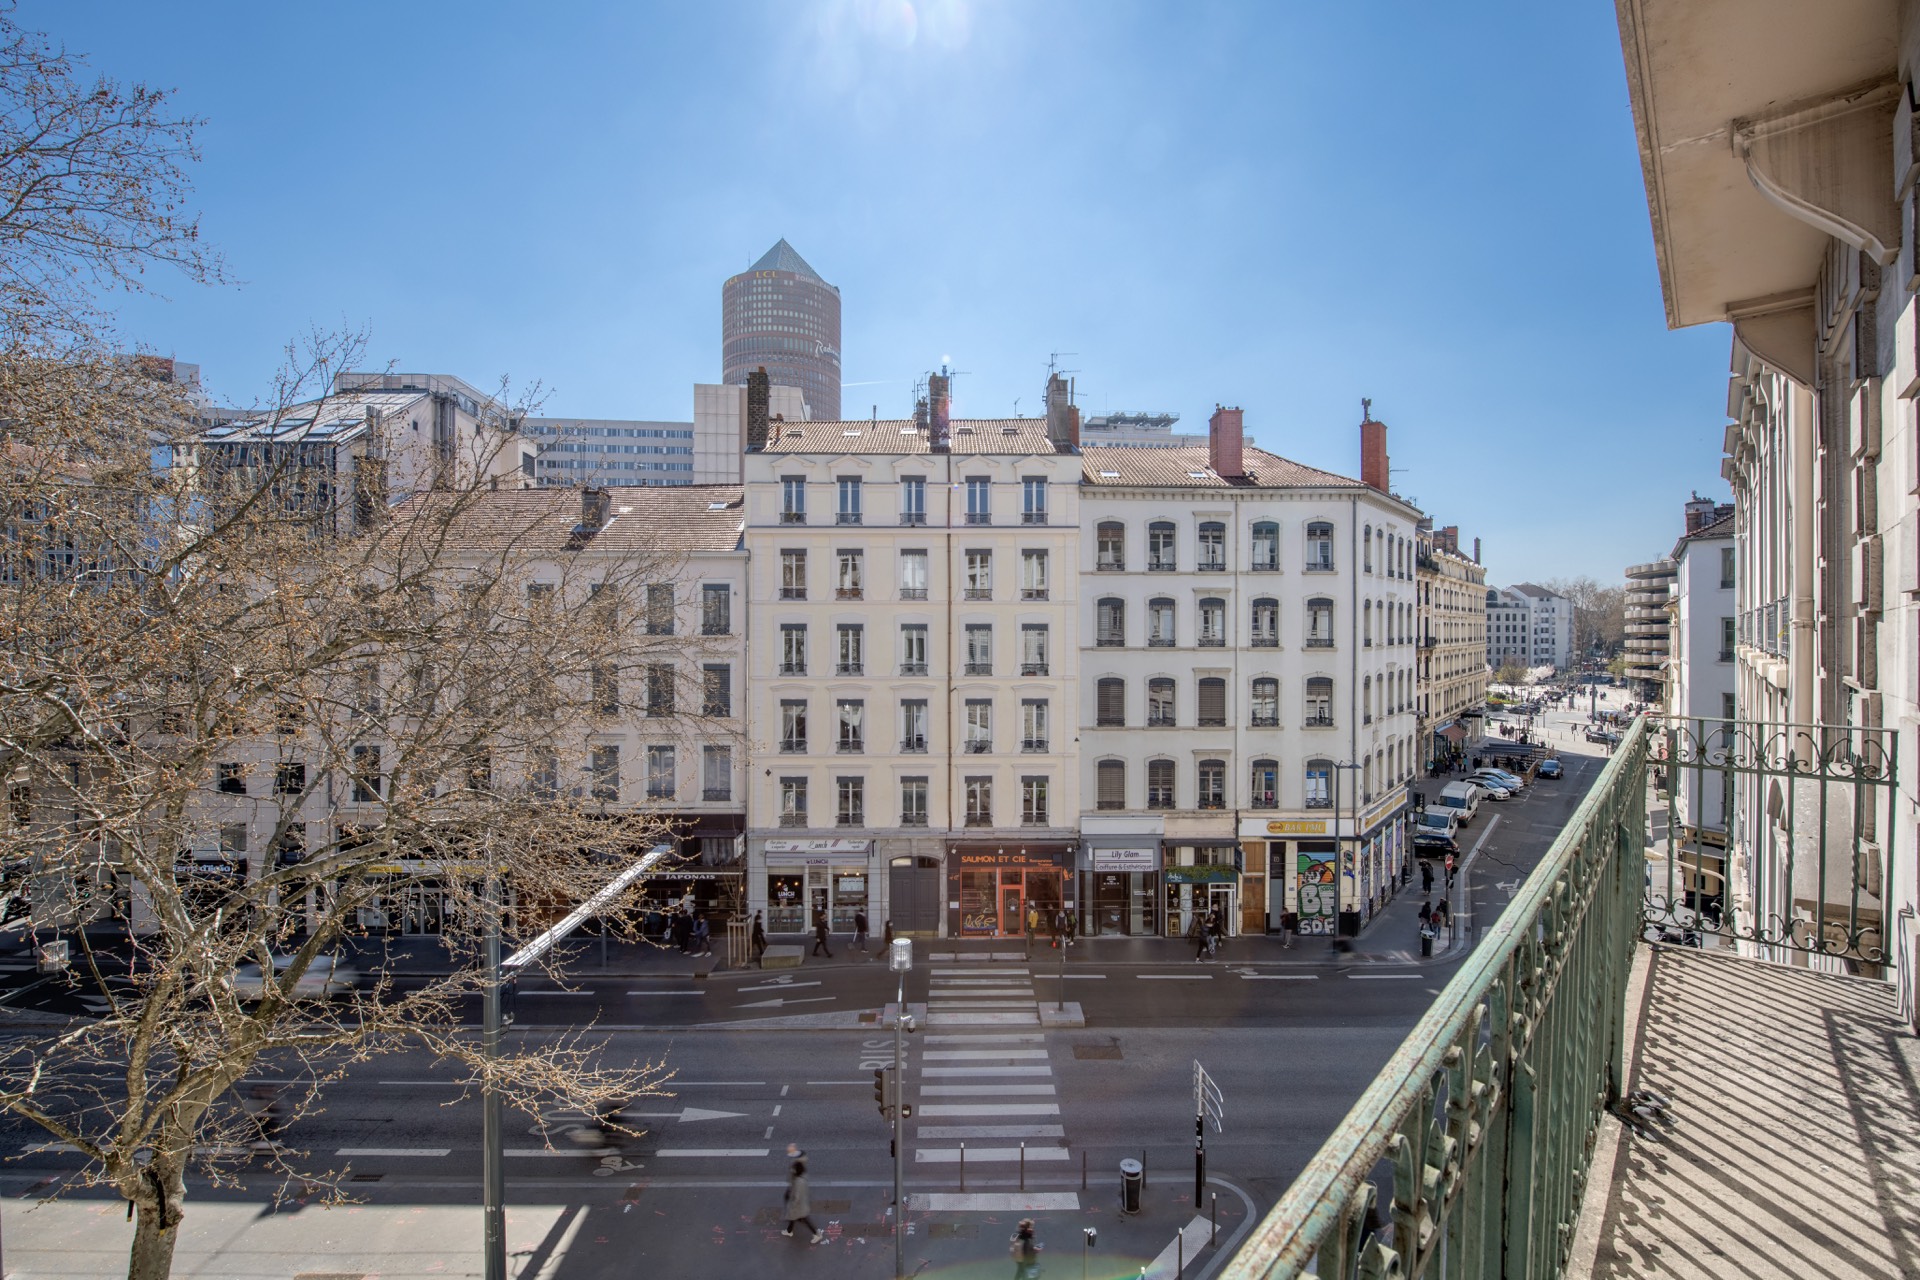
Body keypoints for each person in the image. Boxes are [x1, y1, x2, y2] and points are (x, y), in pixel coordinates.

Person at [782, 1157, 824, 1244]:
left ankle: (817, 1234)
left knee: (801, 1218)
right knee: (794, 1217)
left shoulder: (798, 1182)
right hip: (802, 1203)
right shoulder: (802, 1177)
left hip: (799, 1206)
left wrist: (793, 1205)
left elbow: (797, 1197)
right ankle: (789, 1231)